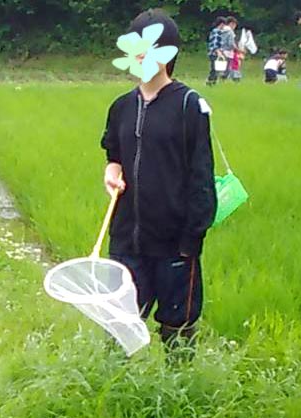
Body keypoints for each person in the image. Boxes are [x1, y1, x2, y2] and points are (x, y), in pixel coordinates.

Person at [101, 9, 217, 357]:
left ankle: (179, 395)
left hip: (174, 242)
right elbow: (114, 153)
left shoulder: (188, 105)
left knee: (177, 326)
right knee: (121, 325)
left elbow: (201, 177)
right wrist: (111, 172)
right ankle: (116, 396)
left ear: (167, 54)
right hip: (127, 238)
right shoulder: (122, 106)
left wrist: (191, 239)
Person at [206, 16, 235, 86]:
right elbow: (215, 44)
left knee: (214, 69)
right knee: (214, 70)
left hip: (213, 53)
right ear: (221, 24)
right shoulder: (217, 32)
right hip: (215, 53)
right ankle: (211, 82)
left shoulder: (214, 31)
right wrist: (219, 53)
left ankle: (212, 82)